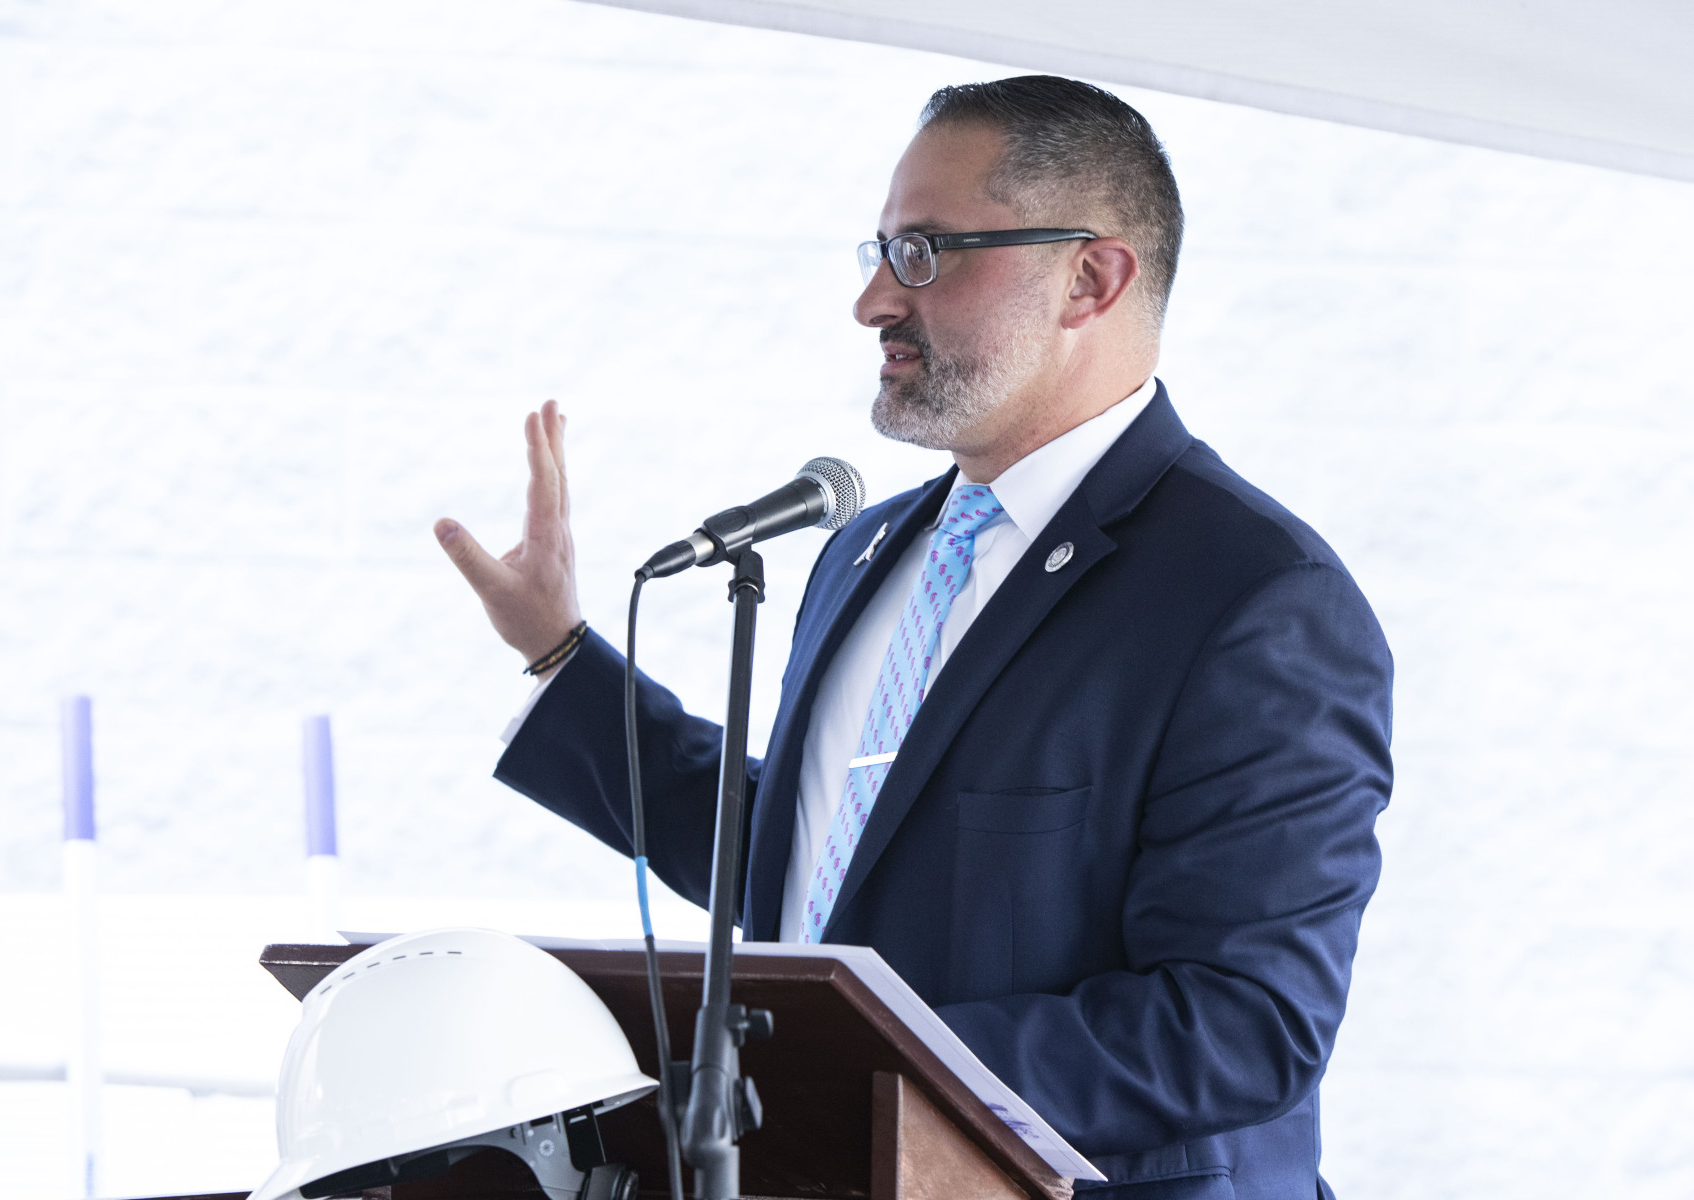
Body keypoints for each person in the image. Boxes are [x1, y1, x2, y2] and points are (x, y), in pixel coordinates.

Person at [434, 76, 1392, 1200]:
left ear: (1089, 279)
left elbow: (1240, 1026)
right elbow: (807, 857)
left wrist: (853, 1063)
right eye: (882, 251)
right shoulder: (866, 550)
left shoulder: (1252, 597)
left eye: (926, 253)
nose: (874, 301)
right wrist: (560, 653)